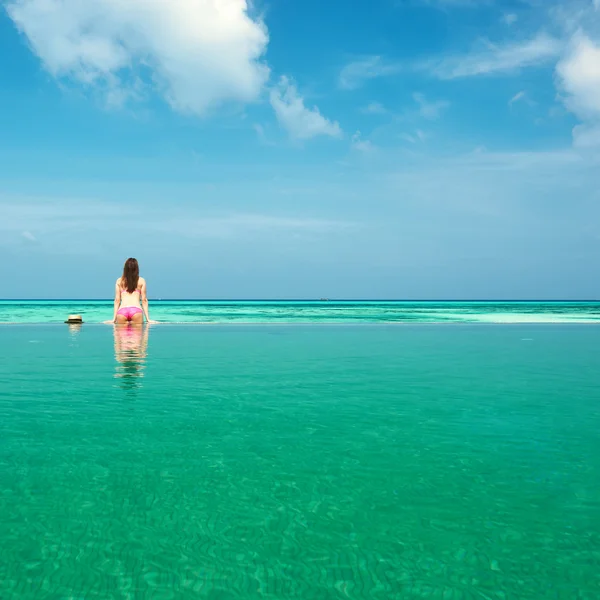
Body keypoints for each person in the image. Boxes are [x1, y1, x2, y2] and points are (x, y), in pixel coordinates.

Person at [104, 258, 157, 324]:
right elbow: (144, 300)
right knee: (139, 334)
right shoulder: (141, 280)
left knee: (119, 334)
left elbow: (117, 300)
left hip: (122, 311)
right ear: (136, 269)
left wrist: (113, 319)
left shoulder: (119, 281)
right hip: (136, 311)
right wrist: (148, 319)